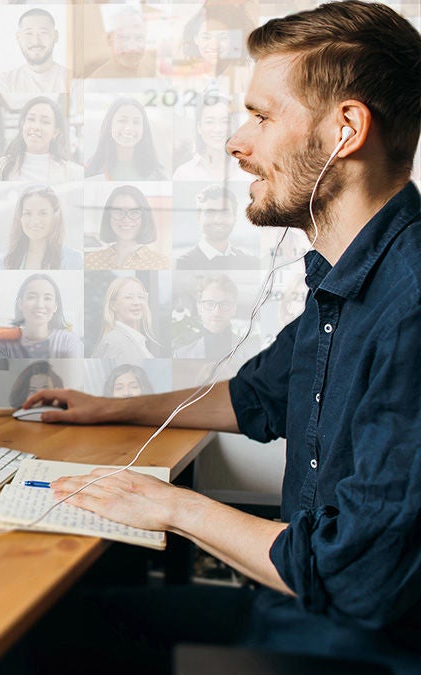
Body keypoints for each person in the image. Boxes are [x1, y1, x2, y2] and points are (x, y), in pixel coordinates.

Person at [22, 4, 421, 669]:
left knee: (38, 646)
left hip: (355, 650)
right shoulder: (351, 277)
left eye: (262, 117)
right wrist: (107, 407)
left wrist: (172, 506)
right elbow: (258, 395)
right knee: (59, 619)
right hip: (295, 616)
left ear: (347, 129)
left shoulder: (409, 305)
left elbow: (358, 579)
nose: (239, 142)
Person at [173, 274, 259, 368]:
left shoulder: (255, 352)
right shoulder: (181, 355)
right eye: (209, 304)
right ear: (199, 308)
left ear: (234, 308)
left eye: (224, 304)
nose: (217, 312)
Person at [0, 97, 83, 184]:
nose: (36, 127)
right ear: (23, 125)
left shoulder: (73, 173)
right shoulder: (0, 166)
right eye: (31, 119)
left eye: (45, 122)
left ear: (55, 132)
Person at [0, 274, 83, 359]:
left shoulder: (69, 341)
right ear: (20, 303)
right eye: (32, 297)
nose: (40, 305)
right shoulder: (4, 340)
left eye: (47, 298)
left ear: (55, 306)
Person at [85, 186, 170, 270]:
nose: (126, 220)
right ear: (108, 216)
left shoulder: (161, 263)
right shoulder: (89, 261)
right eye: (118, 212)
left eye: (134, 212)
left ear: (144, 217)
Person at [176, 185, 259, 270]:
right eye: (210, 213)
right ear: (199, 216)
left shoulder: (251, 262)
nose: (218, 220)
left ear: (234, 217)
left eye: (224, 213)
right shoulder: (183, 264)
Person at [0, 186, 82, 270]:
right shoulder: (6, 260)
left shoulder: (74, 260)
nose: (35, 221)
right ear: (20, 217)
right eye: (27, 213)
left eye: (43, 213)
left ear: (55, 217)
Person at [85, 97, 166, 181]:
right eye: (122, 121)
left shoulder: (157, 175)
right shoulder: (91, 170)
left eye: (136, 122)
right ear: (110, 125)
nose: (129, 128)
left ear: (143, 129)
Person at [0, 8, 70, 96]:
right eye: (28, 33)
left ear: (56, 36)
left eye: (43, 33)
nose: (36, 41)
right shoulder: (5, 81)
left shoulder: (74, 81)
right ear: (18, 37)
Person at [91, 275, 157, 363]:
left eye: (141, 297)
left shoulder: (133, 340)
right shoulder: (116, 342)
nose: (137, 302)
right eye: (128, 297)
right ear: (113, 305)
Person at [172, 95, 239, 182]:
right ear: (199, 128)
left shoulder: (246, 172)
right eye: (210, 122)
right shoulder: (183, 174)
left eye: (224, 122)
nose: (218, 129)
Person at [88, 7, 156, 79]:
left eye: (139, 38)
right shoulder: (95, 83)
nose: (131, 47)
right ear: (109, 40)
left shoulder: (151, 73)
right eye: (123, 38)